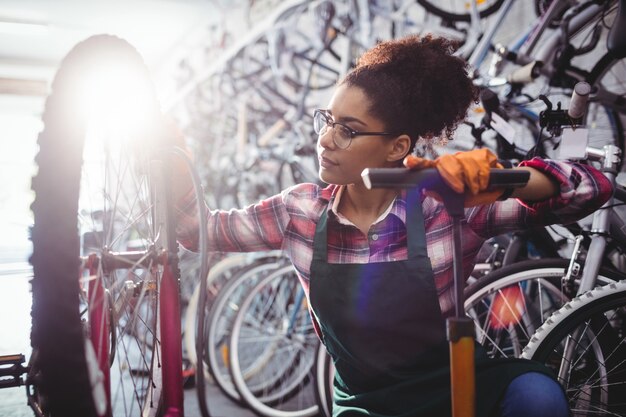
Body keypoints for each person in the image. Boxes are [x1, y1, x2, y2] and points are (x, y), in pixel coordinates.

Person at [175, 34, 612, 417]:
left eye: (347, 130)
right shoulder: (300, 213)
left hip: (454, 383)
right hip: (368, 403)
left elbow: (591, 190)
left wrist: (502, 178)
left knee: (537, 397)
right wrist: (173, 168)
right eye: (327, 121)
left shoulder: (444, 208)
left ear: (396, 147)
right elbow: (199, 232)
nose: (325, 140)